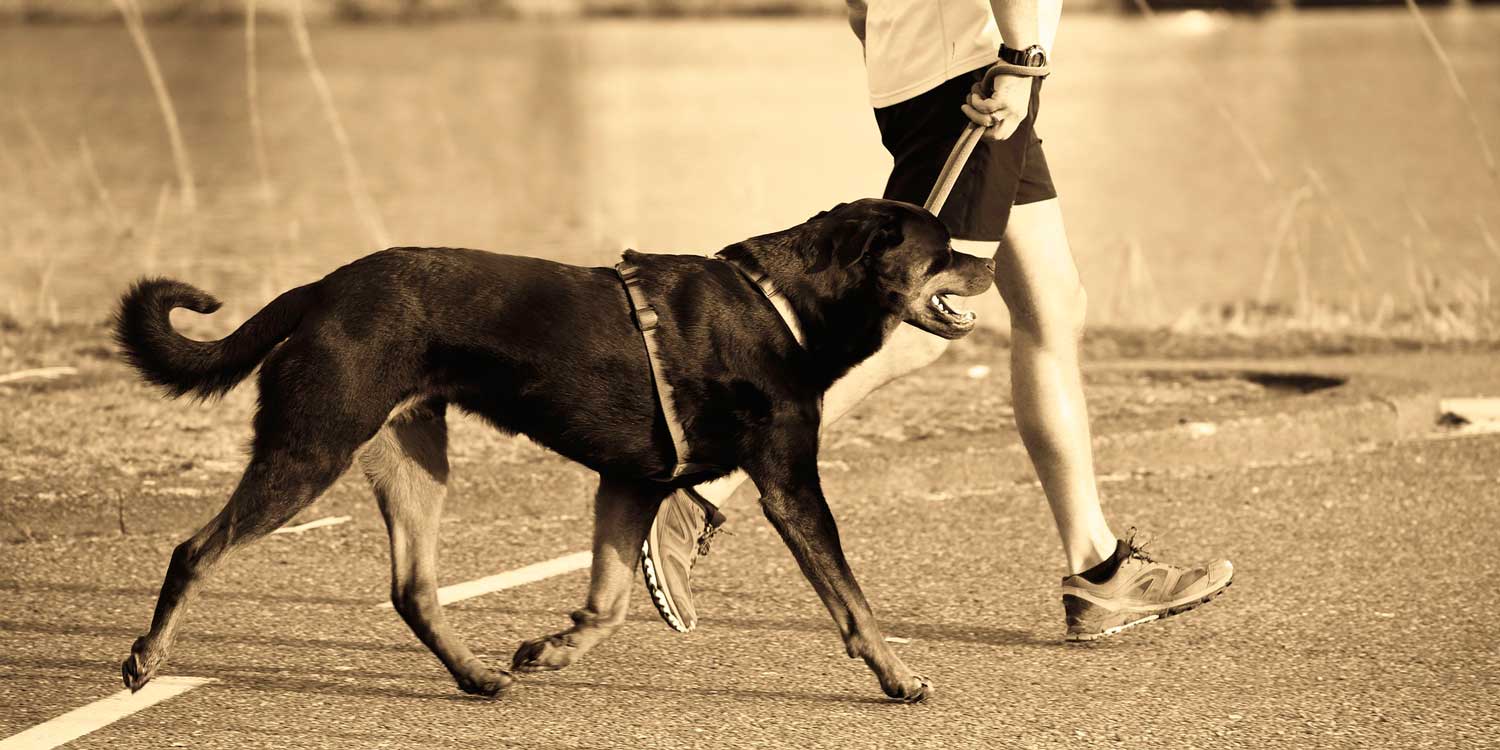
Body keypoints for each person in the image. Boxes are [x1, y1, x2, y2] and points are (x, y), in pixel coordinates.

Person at [641, 0, 1233, 642]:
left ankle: (1100, 569)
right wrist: (1021, 57)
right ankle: (699, 489)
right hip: (982, 69)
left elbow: (860, 11)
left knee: (1054, 306)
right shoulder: (999, 60)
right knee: (913, 328)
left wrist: (901, 38)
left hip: (942, 69)